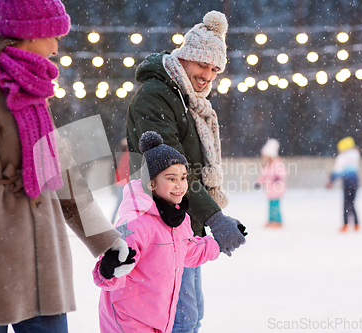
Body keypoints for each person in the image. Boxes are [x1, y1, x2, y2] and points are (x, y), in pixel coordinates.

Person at [0, 0, 128, 331]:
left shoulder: (35, 86)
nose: (58, 46)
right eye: (55, 35)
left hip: (43, 257)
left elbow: (60, 173)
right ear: (31, 33)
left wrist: (106, 240)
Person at [126, 10, 247, 332]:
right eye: (201, 65)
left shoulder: (186, 100)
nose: (207, 75)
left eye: (214, 69)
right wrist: (214, 217)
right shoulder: (157, 96)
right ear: (184, 59)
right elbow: (170, 169)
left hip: (182, 221)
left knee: (189, 314)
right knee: (178, 318)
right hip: (161, 222)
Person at [93, 131, 234, 333]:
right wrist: (108, 269)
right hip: (127, 320)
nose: (180, 185)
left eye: (183, 177)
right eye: (171, 178)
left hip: (159, 319)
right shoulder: (135, 222)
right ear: (151, 183)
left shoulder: (178, 218)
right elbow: (108, 271)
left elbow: (189, 251)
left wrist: (219, 244)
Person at [326, 136, 360, 232]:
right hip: (355, 181)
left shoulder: (342, 157)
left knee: (346, 203)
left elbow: (338, 170)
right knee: (352, 203)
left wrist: (331, 180)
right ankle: (356, 224)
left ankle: (345, 224)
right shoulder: (355, 154)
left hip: (347, 182)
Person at [254, 139, 287, 228]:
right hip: (269, 190)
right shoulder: (267, 166)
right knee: (270, 206)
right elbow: (263, 176)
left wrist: (278, 177)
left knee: (275, 206)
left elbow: (283, 173)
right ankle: (271, 220)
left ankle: (278, 221)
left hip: (277, 189)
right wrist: (259, 182)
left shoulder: (277, 163)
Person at [111, 138, 130, 224]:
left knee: (123, 203)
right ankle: (116, 221)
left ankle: (120, 221)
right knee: (121, 203)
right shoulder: (123, 154)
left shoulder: (125, 154)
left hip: (123, 182)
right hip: (122, 182)